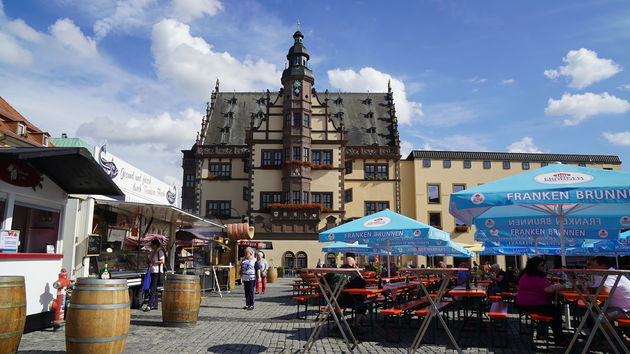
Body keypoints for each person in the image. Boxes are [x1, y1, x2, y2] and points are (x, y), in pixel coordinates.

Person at [515, 257, 568, 345]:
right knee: (555, 312)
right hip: (531, 303)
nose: (544, 267)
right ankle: (560, 339)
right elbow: (548, 290)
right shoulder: (536, 275)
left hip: (523, 302)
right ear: (535, 266)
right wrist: (565, 286)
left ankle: (541, 333)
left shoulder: (526, 274)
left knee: (548, 309)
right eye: (542, 265)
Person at [144, 239, 165, 312]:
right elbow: (149, 262)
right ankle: (155, 304)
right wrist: (146, 256)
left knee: (152, 288)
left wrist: (154, 262)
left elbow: (162, 261)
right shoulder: (153, 252)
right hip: (152, 271)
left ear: (155, 245)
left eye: (152, 244)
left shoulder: (160, 251)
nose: (151, 246)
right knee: (154, 288)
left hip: (157, 272)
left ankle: (149, 305)